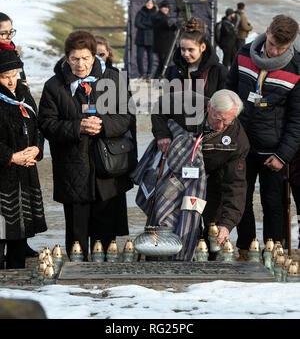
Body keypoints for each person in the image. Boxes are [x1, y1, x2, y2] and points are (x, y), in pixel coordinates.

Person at [38, 30, 134, 260]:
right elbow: (46, 124)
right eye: (74, 59)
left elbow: (126, 117)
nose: (80, 64)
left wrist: (102, 125)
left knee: (105, 232)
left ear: (94, 56)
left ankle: (106, 281)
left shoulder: (113, 79)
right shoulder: (54, 86)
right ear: (66, 58)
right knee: (77, 232)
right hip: (73, 168)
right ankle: (76, 283)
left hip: (107, 167)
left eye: (85, 58)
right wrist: (77, 127)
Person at [226, 14, 300, 260]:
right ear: (266, 31)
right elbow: (229, 90)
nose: (275, 51)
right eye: (271, 44)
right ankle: (245, 247)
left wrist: (283, 155)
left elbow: (297, 120)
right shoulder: (244, 53)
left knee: (274, 204)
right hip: (242, 145)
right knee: (241, 200)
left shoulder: (296, 68)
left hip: (274, 152)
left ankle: (273, 250)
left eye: (282, 47)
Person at [151, 89, 250, 252]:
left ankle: (208, 258)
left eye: (226, 122)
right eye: (217, 119)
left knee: (214, 223)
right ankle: (166, 254)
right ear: (209, 106)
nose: (220, 126)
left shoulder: (238, 140)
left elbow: (236, 186)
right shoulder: (188, 103)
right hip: (180, 166)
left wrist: (227, 225)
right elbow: (158, 107)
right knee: (170, 217)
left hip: (213, 175)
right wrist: (162, 134)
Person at [0, 50, 47, 269]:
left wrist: (36, 149)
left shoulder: (24, 95)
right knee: (2, 229)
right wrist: (11, 156)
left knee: (19, 230)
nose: (10, 80)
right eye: (4, 76)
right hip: (4, 173)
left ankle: (16, 273)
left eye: (14, 74)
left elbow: (38, 127)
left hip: (25, 171)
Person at [169, 17, 227, 97]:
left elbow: (223, 104)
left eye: (190, 50)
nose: (186, 54)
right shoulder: (174, 70)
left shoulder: (219, 71)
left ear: (202, 47)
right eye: (183, 49)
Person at [134, 0, 157, 81]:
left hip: (151, 39)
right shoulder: (140, 12)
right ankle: (141, 74)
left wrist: (144, 23)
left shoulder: (155, 13)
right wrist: (148, 25)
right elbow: (137, 23)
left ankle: (149, 74)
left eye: (151, 3)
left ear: (153, 4)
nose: (149, 4)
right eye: (148, 2)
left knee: (150, 57)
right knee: (139, 57)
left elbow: (154, 24)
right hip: (141, 38)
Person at [152, 0, 176, 79]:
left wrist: (174, 26)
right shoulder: (159, 17)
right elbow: (163, 27)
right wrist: (174, 26)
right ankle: (160, 79)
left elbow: (167, 29)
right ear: (161, 8)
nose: (166, 9)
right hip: (162, 45)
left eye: (168, 7)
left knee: (163, 63)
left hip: (164, 44)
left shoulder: (163, 17)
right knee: (164, 63)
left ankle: (158, 80)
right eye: (165, 7)